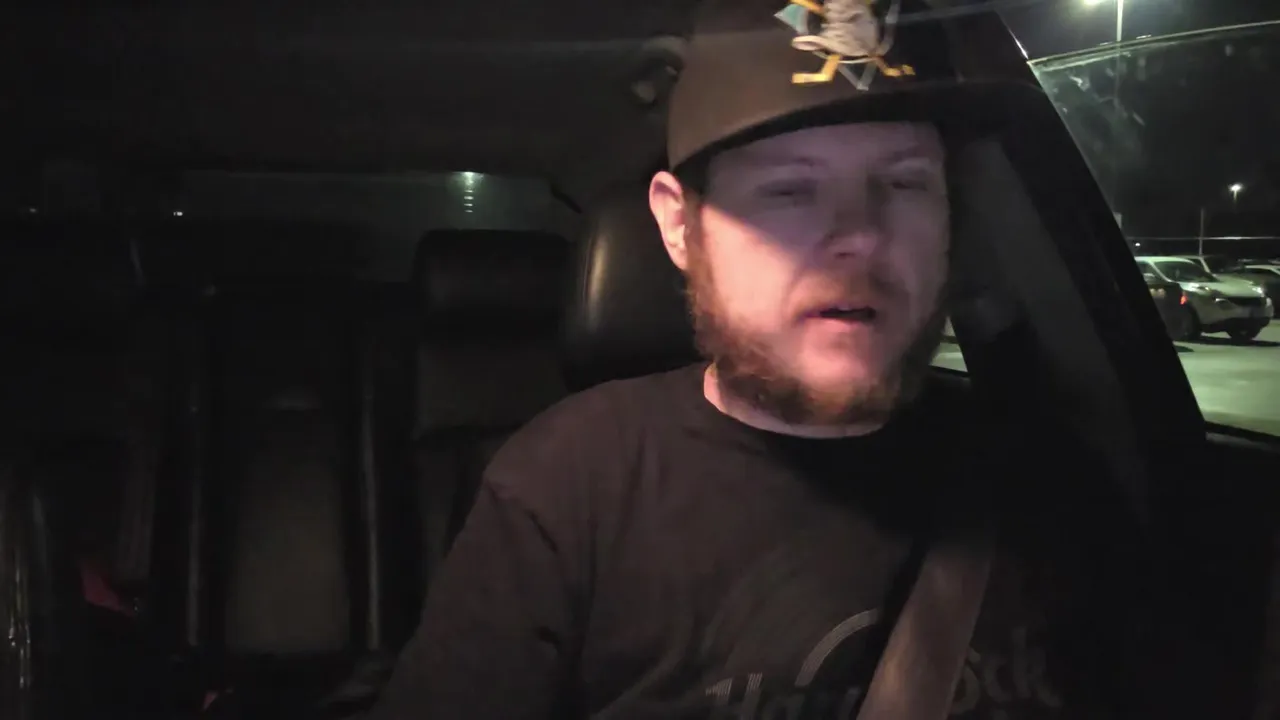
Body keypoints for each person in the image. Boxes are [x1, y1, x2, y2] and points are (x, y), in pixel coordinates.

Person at [366, 0, 1148, 717]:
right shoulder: (566, 487)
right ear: (679, 226)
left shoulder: (1046, 479)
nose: (862, 235)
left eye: (905, 183)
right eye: (790, 191)